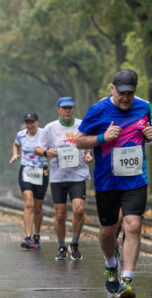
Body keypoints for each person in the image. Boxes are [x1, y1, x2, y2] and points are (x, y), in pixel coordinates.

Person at [75, 69, 152, 298]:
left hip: (135, 180)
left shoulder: (145, 107)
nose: (126, 97)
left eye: (130, 93)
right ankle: (110, 263)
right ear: (112, 89)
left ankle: (127, 279)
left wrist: (151, 136)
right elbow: (79, 141)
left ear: (136, 90)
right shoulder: (98, 110)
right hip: (107, 182)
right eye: (121, 92)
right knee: (107, 232)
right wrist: (103, 137)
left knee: (133, 224)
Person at [34, 97, 93, 261]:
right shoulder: (50, 128)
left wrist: (88, 153)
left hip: (78, 174)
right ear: (58, 109)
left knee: (78, 210)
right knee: (60, 214)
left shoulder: (82, 124)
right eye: (64, 108)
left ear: (73, 109)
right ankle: (61, 246)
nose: (67, 111)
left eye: (70, 108)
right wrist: (46, 153)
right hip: (58, 177)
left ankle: (74, 243)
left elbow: (89, 143)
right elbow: (37, 148)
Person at [10, 113, 49, 250]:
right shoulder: (21, 134)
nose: (30, 125)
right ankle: (28, 236)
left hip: (41, 171)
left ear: (37, 122)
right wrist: (15, 154)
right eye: (27, 122)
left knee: (38, 206)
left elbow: (52, 146)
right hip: (26, 170)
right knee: (29, 203)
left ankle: (37, 234)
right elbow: (16, 144)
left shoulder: (45, 133)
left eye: (32, 122)